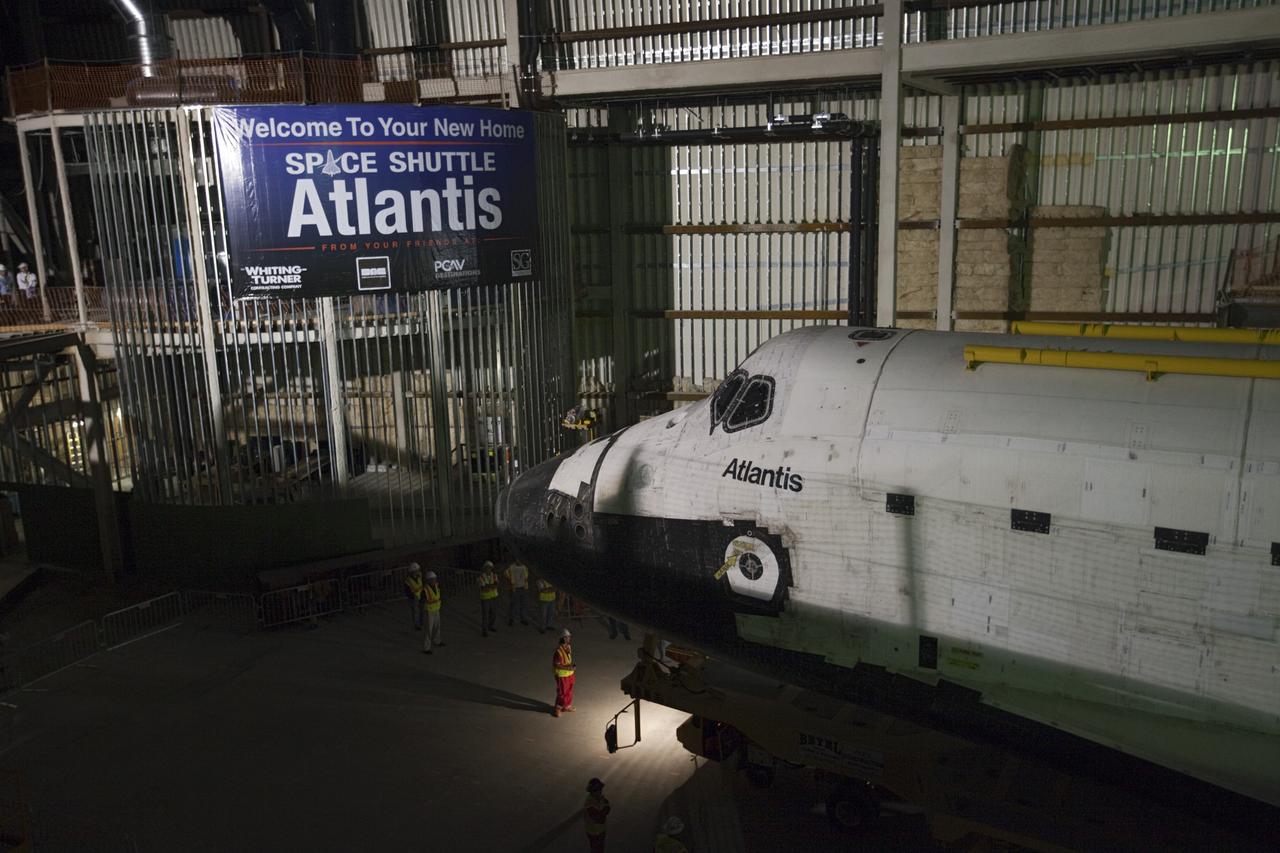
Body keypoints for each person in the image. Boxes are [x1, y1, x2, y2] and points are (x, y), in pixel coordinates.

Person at [552, 628, 575, 717]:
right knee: (562, 692)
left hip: (570, 674)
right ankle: (558, 708)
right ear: (563, 638)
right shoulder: (558, 651)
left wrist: (571, 667)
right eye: (568, 637)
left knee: (569, 691)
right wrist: (568, 667)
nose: (569, 638)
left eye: (569, 637)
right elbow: (557, 665)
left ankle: (567, 706)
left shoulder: (568, 647)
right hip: (562, 675)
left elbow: (567, 659)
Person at [584, 777, 610, 853]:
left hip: (601, 830)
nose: (599, 792)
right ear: (591, 791)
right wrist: (605, 810)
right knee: (596, 850)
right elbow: (599, 819)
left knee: (600, 849)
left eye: (600, 789)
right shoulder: (590, 803)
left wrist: (605, 809)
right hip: (594, 832)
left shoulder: (600, 797)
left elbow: (607, 804)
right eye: (596, 790)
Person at [422, 570, 444, 654]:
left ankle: (437, 640)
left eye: (435, 579)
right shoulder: (425, 590)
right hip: (429, 611)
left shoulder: (437, 586)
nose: (434, 580)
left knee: (437, 626)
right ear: (428, 580)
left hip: (436, 609)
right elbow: (424, 600)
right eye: (432, 579)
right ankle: (426, 648)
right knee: (428, 630)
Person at [504, 558, 529, 627]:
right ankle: (511, 619)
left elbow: (526, 576)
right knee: (513, 604)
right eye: (518, 560)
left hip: (523, 587)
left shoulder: (524, 567)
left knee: (523, 604)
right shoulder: (512, 567)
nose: (519, 561)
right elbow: (506, 573)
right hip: (515, 588)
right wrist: (511, 583)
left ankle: (523, 618)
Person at [478, 560, 499, 636]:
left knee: (494, 614)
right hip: (485, 598)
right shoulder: (481, 577)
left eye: (490, 568)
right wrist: (492, 586)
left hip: (494, 597)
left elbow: (496, 585)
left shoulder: (494, 575)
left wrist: (489, 586)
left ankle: (490, 626)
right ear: (484, 568)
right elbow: (483, 588)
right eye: (487, 568)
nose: (488, 569)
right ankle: (485, 630)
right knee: (485, 614)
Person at [403, 563, 424, 631]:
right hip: (413, 598)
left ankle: (421, 622)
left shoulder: (420, 576)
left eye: (418, 570)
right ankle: (417, 625)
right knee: (415, 611)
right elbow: (407, 591)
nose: (418, 571)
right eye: (416, 570)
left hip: (420, 595)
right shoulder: (408, 581)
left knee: (422, 609)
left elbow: (422, 585)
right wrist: (411, 596)